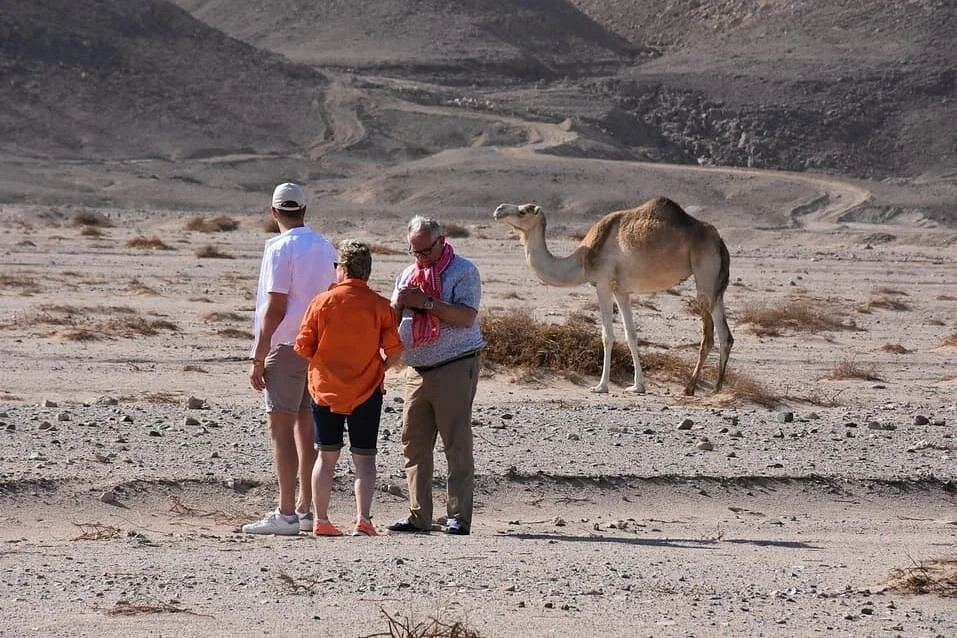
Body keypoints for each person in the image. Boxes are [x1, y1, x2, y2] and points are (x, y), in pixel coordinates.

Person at [243, 183, 336, 535]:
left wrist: (258, 354)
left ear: (273, 213)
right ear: (304, 211)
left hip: (286, 346)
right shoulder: (326, 247)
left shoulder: (280, 249)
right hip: (317, 346)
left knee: (280, 428)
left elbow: (277, 306)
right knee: (305, 426)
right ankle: (306, 508)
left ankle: (286, 513)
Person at [294, 240, 404, 537]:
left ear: (342, 269)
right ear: (367, 271)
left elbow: (303, 347)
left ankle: (321, 520)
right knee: (364, 458)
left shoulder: (321, 302)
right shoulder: (381, 306)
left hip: (325, 390)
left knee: (325, 457)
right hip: (367, 390)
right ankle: (363, 520)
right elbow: (395, 352)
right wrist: (379, 367)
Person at [388, 216, 485, 535]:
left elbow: (466, 317)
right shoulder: (408, 274)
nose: (419, 258)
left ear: (442, 240)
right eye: (414, 252)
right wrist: (398, 305)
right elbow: (394, 316)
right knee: (413, 443)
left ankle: (459, 516)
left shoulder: (464, 271)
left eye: (425, 251)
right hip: (416, 368)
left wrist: (426, 302)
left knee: (455, 442)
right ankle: (419, 516)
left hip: (455, 364)